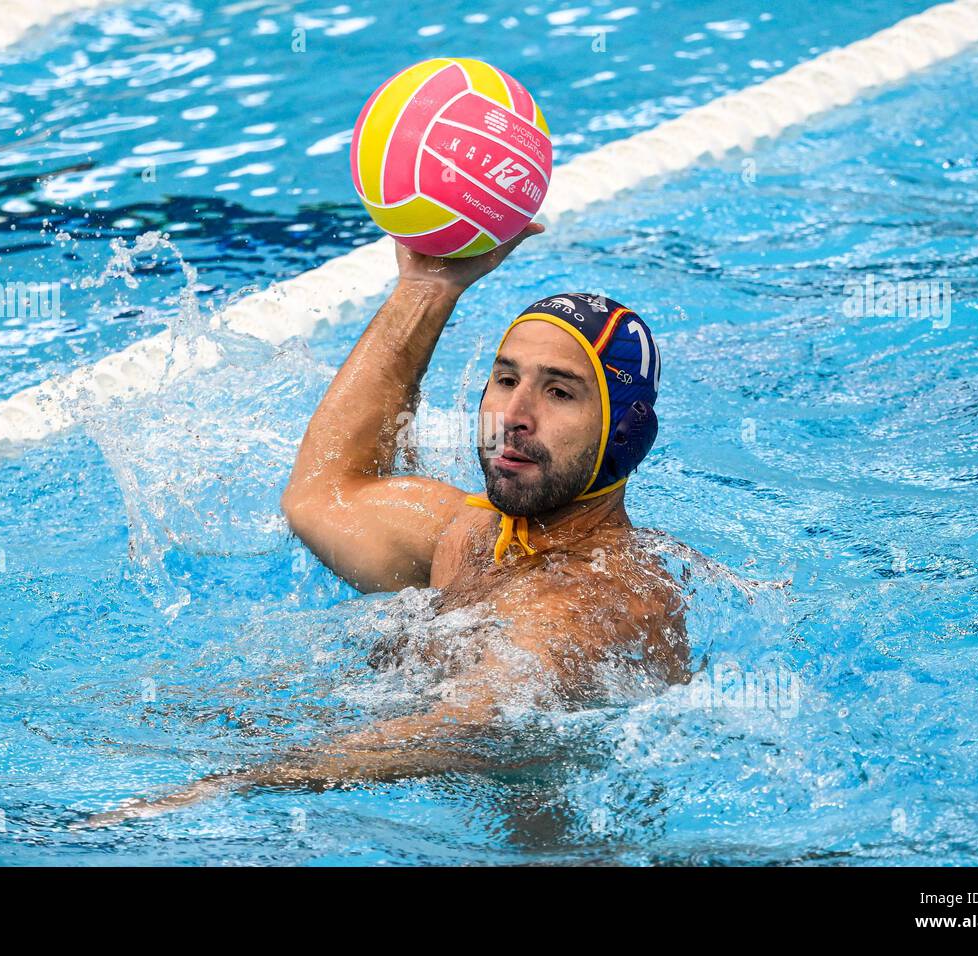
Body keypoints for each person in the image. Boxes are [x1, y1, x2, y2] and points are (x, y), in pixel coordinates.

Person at [80, 222, 687, 827]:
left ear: (624, 433)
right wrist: (425, 290)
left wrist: (232, 785)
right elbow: (322, 494)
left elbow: (471, 726)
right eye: (506, 380)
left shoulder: (595, 600)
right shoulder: (471, 535)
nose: (513, 415)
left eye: (559, 393)